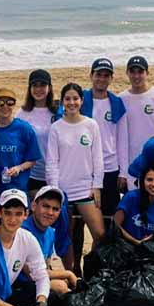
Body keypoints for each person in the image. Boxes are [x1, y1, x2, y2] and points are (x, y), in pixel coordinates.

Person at [46, 83, 105, 254]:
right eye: (67, 99)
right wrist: (55, 191)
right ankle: (73, 272)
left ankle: (90, 267)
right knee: (67, 237)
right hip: (64, 190)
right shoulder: (56, 127)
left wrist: (97, 186)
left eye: (75, 98)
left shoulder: (91, 125)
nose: (71, 102)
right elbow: (52, 162)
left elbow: (97, 158)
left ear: (82, 100)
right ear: (62, 102)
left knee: (100, 234)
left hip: (86, 189)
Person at [0, 88, 42, 226]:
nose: (5, 107)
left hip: (17, 187)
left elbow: (33, 159)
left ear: (14, 105)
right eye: (1, 103)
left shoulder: (24, 129)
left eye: (9, 103)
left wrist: (19, 168)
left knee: (16, 227)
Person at [117, 55, 154, 194]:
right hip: (133, 162)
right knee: (137, 205)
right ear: (127, 73)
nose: (136, 76)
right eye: (132, 71)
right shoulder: (121, 99)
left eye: (140, 72)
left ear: (147, 73)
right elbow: (120, 137)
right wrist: (123, 171)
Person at [83, 58, 126, 222]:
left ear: (111, 78)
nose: (102, 79)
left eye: (106, 75)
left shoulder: (116, 103)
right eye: (98, 74)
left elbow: (122, 139)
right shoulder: (80, 100)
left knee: (109, 218)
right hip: (85, 167)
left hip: (110, 168)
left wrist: (123, 172)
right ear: (91, 76)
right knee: (80, 219)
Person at [22, 186, 77, 296]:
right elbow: (32, 273)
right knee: (60, 287)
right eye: (46, 206)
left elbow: (46, 265)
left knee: (64, 283)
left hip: (34, 281)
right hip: (18, 285)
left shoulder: (50, 232)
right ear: (34, 206)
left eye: (55, 209)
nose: (50, 212)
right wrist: (68, 274)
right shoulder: (23, 232)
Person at [16, 69, 58, 196]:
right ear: (29, 88)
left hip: (55, 173)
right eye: (35, 85)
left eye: (42, 85)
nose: (38, 89)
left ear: (49, 88)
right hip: (31, 173)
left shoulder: (58, 112)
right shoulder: (22, 113)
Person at [114, 167, 154, 245]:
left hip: (148, 247)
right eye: (149, 180)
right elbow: (115, 225)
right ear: (142, 181)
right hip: (123, 245)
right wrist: (136, 242)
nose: (153, 184)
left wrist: (150, 241)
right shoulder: (130, 197)